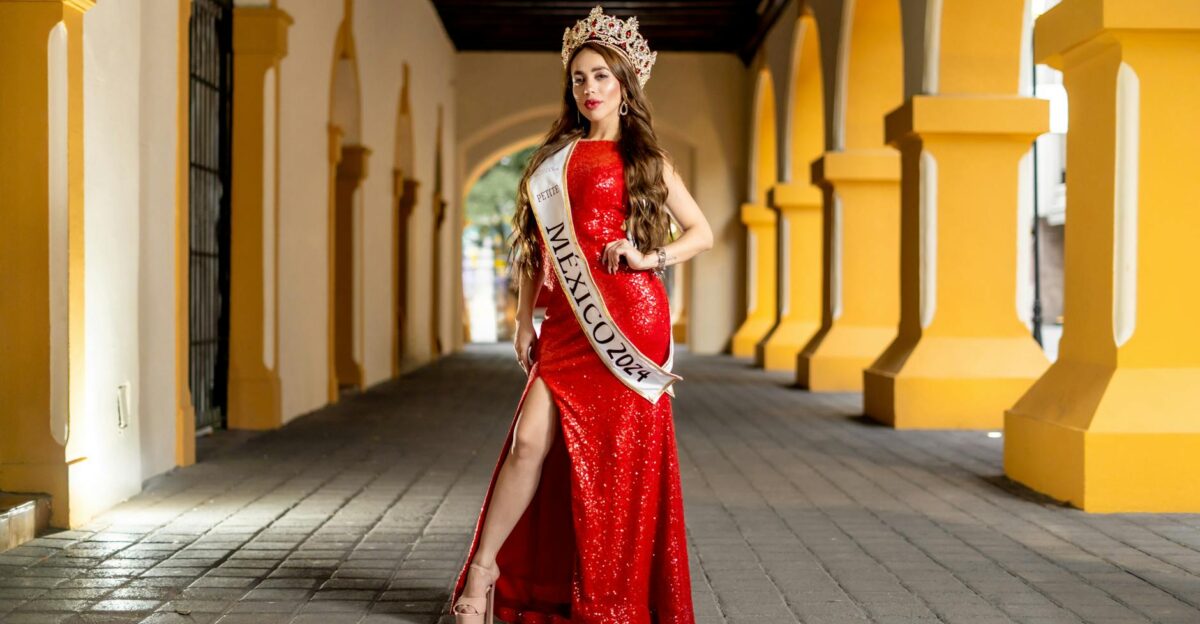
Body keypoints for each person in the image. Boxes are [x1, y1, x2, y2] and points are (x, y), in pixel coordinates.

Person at [450, 6, 713, 623]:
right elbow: (537, 247)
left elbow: (702, 232)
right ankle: (484, 572)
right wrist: (521, 321)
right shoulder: (553, 159)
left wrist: (649, 257)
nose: (589, 88)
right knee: (528, 443)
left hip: (629, 326)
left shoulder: (645, 158)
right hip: (569, 326)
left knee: (619, 470)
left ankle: (608, 597)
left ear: (624, 87)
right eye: (579, 79)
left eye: (601, 76)